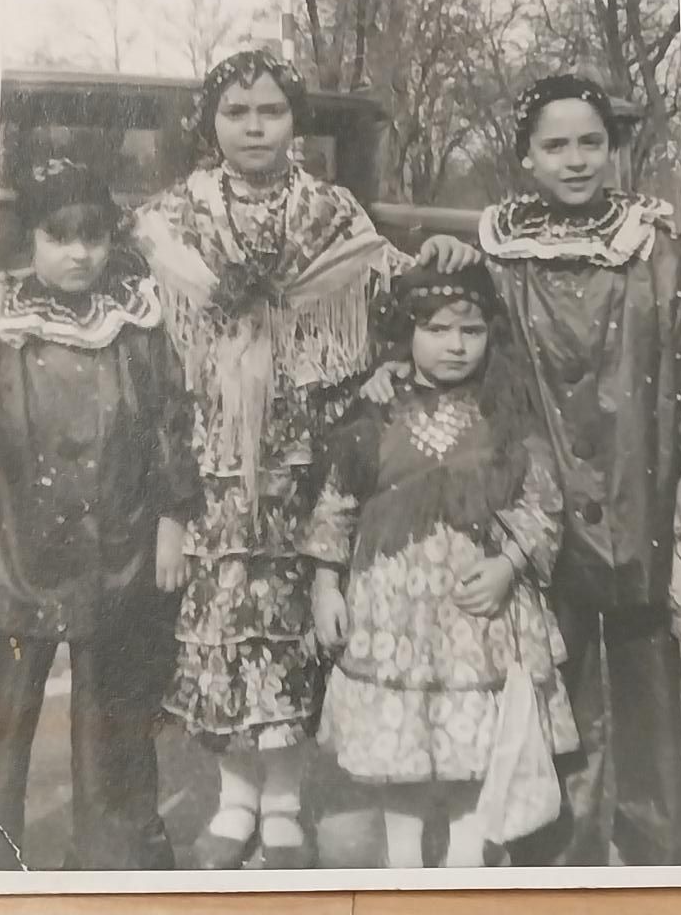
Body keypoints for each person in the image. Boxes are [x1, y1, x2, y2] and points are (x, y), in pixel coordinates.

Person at [133, 48, 476, 869]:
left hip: (307, 458)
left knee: (290, 626)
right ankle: (233, 797)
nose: (255, 127)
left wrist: (441, 260)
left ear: (294, 122)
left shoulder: (333, 215)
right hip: (210, 456)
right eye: (238, 112)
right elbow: (144, 346)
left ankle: (283, 800)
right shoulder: (168, 221)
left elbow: (392, 292)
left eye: (271, 112)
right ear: (213, 121)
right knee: (222, 625)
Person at [478, 74, 681, 866]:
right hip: (542, 488)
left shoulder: (655, 243)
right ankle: (559, 855)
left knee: (645, 674)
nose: (575, 160)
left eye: (590, 143)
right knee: (553, 672)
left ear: (613, 150)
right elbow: (472, 349)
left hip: (638, 473)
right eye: (555, 145)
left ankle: (656, 851)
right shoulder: (500, 248)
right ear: (527, 157)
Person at [298, 263, 578, 868]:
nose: (456, 345)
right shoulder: (374, 411)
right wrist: (327, 586)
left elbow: (542, 502)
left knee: (474, 735)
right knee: (400, 748)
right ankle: (403, 861)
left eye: (471, 331)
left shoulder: (507, 412)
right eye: (438, 329)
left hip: (478, 613)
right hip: (392, 606)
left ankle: (468, 854)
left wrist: (508, 565)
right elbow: (336, 504)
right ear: (407, 333)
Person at [0, 158, 201, 872]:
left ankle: (115, 859)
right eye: (60, 236)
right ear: (29, 237)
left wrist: (172, 518)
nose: (79, 253)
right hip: (14, 545)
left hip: (119, 543)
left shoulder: (133, 319)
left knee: (115, 715)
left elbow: (168, 419)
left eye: (94, 236)